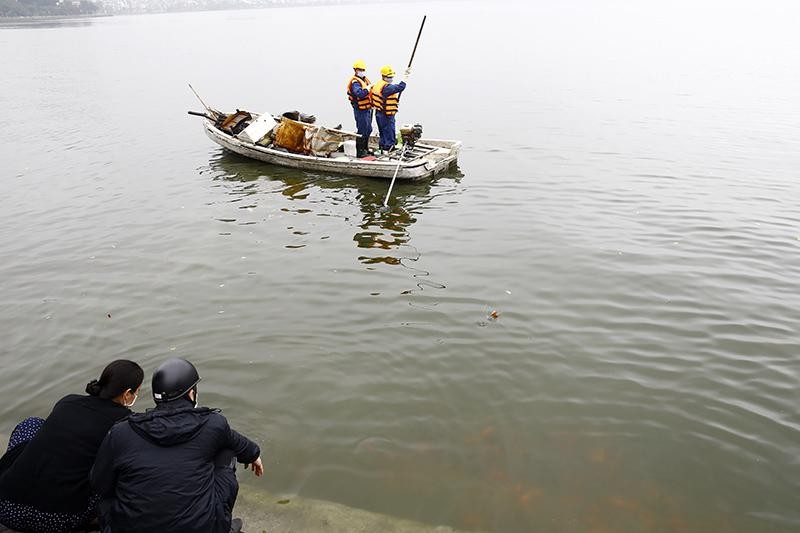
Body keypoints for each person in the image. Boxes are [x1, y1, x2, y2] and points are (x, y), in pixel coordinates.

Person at [90, 357, 263, 533]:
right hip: (203, 528)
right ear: (191, 394)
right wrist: (254, 454)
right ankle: (221, 525)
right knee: (226, 450)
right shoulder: (213, 424)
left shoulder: (121, 431)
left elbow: (98, 483)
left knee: (107, 494)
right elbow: (239, 443)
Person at [0, 360, 143, 533]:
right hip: (56, 519)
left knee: (32, 424)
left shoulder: (67, 402)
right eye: (137, 391)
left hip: (5, 507)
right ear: (127, 394)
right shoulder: (123, 424)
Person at [370, 64, 410, 153]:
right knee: (389, 131)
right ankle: (389, 148)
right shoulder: (387, 88)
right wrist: (405, 78)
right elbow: (400, 87)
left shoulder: (378, 84)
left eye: (392, 77)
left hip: (379, 112)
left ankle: (382, 147)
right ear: (384, 76)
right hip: (386, 114)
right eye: (389, 77)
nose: (391, 78)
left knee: (382, 131)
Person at [346, 59, 374, 158]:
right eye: (360, 70)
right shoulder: (355, 82)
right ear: (355, 70)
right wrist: (367, 89)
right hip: (360, 109)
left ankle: (365, 148)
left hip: (367, 108)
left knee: (368, 129)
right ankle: (360, 151)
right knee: (362, 129)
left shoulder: (364, 80)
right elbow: (359, 94)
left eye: (363, 70)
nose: (362, 71)